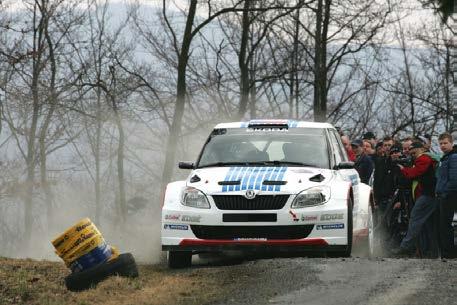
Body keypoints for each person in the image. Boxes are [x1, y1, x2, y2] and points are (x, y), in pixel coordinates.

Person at [392, 141, 439, 257]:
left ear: (420, 149)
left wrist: (403, 169)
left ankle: (405, 247)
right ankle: (430, 252)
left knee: (415, 219)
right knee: (427, 225)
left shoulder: (423, 159)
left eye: (413, 151)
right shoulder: (426, 158)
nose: (411, 154)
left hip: (428, 195)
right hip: (430, 195)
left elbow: (414, 173)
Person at [435, 133, 457, 258]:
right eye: (441, 143)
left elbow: (454, 179)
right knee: (444, 224)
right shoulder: (445, 157)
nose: (442, 145)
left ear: (451, 143)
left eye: (445, 143)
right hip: (444, 195)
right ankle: (447, 252)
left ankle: (449, 253)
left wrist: (445, 192)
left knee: (446, 225)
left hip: (449, 195)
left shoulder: (453, 157)